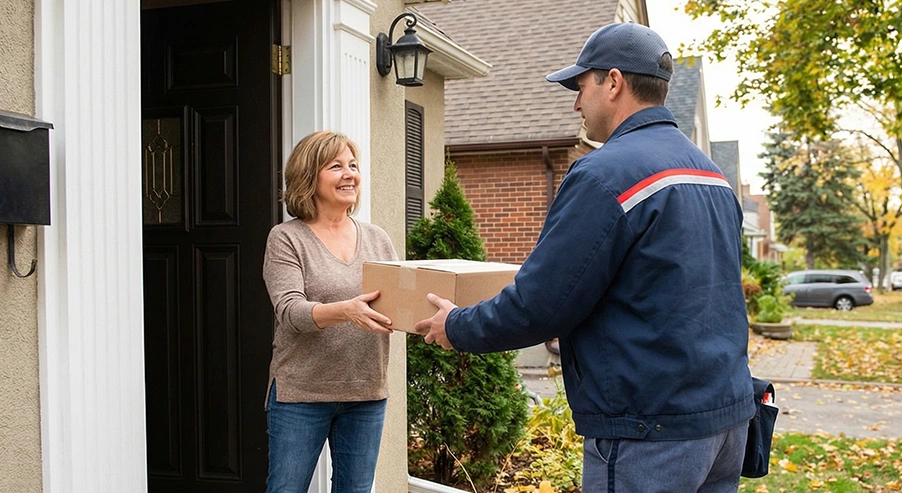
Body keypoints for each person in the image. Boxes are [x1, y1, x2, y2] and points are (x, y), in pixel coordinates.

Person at [415, 23, 755, 492]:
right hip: (726, 422)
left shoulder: (604, 174)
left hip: (648, 432)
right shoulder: (712, 175)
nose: (576, 103)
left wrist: (456, 327)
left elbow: (542, 304)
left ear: (613, 82)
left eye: (580, 86)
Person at [262, 130, 397, 493]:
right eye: (336, 166)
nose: (349, 174)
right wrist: (347, 311)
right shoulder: (287, 238)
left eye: (353, 165)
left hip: (367, 391)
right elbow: (290, 312)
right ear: (309, 177)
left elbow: (397, 301)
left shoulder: (377, 238)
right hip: (301, 393)